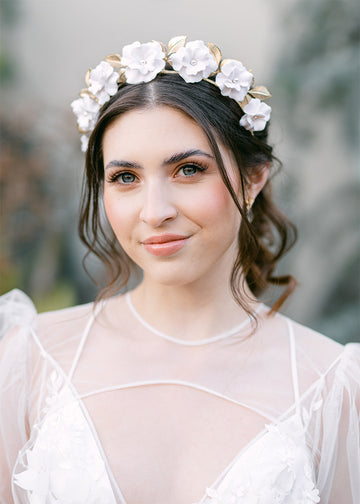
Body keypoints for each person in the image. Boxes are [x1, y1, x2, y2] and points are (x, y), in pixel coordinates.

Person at [0, 36, 359, 504]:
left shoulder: (331, 385)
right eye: (125, 178)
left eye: (188, 170)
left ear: (253, 179)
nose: (155, 211)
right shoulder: (32, 358)